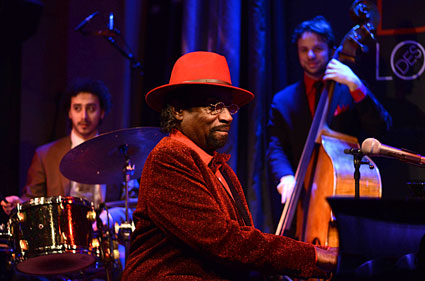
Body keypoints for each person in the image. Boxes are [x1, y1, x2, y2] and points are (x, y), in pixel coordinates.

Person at [122, 51, 337, 280]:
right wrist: (312, 255)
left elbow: (243, 243)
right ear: (178, 110)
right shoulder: (168, 158)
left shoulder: (221, 169)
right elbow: (222, 240)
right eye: (214, 106)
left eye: (229, 106)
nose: (227, 116)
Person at [267, 16, 392, 206]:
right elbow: (276, 146)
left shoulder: (350, 89)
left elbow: (381, 128)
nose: (310, 55)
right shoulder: (283, 101)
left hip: (345, 191)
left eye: (317, 48)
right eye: (304, 49)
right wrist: (285, 177)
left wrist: (356, 85)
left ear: (331, 49)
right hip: (304, 197)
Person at [1, 78, 134, 225]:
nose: (84, 116)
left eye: (91, 109)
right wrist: (19, 204)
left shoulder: (118, 153)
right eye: (77, 108)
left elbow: (133, 202)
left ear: (102, 112)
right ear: (69, 112)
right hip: (61, 236)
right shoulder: (45, 155)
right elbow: (32, 200)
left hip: (106, 236)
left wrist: (108, 219)